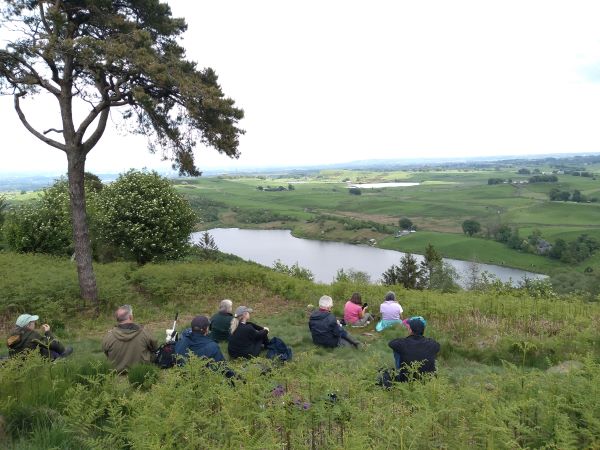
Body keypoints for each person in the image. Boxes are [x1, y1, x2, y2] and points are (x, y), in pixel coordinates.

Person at [102, 305, 158, 372]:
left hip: (116, 369)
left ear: (117, 319)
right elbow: (155, 347)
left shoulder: (109, 336)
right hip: (141, 369)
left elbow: (106, 352)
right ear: (131, 317)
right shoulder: (144, 333)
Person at [387, 316, 440, 382]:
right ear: (423, 330)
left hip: (407, 379)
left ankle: (400, 371)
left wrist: (405, 340)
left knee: (397, 351)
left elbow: (391, 343)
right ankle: (430, 374)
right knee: (432, 352)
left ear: (410, 330)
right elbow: (438, 346)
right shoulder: (432, 343)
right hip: (427, 379)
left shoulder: (402, 343)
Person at [7, 314, 73, 359]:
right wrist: (48, 332)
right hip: (36, 361)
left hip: (19, 363)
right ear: (28, 325)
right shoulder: (32, 335)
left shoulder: (10, 336)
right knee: (69, 349)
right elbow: (54, 345)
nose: (34, 323)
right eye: (33, 322)